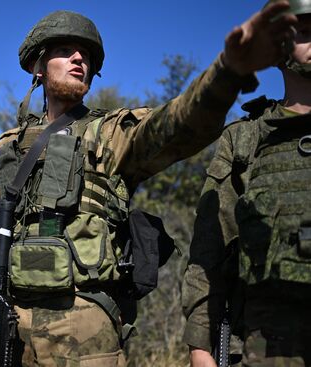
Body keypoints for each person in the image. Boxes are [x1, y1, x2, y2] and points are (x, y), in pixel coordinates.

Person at [0, 4, 299, 366]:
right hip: (10, 326)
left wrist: (228, 71)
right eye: (64, 51)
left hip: (84, 331)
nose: (78, 58)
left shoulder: (111, 133)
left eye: (86, 54)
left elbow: (180, 123)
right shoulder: (8, 146)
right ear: (37, 67)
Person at [182, 1, 311, 366]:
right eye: (304, 32)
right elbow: (210, 248)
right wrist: (200, 346)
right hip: (267, 341)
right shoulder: (245, 138)